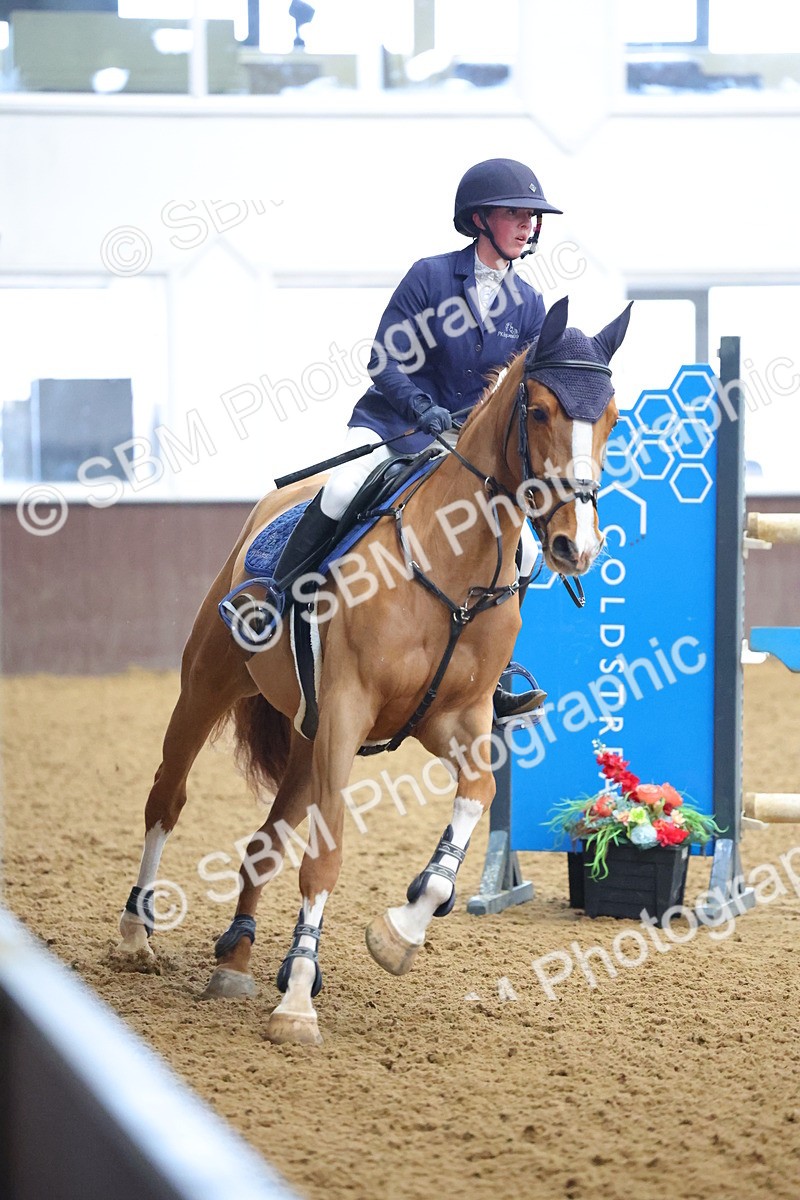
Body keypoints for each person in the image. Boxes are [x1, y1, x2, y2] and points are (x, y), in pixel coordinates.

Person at [270, 157, 563, 721]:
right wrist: (421, 408)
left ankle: (495, 673)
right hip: (396, 424)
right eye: (515, 214)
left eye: (533, 216)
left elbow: (519, 398)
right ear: (480, 219)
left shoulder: (529, 305)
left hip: (467, 451)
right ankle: (275, 605)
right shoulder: (430, 276)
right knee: (340, 490)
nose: (528, 225)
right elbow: (382, 359)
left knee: (523, 548)